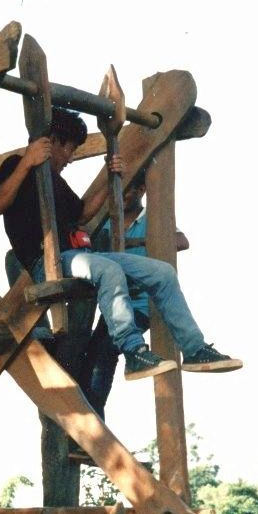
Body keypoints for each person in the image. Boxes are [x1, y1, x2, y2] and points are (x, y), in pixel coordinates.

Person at [0, 107, 242, 383]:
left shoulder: (55, 182)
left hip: (77, 256)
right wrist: (27, 162)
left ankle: (194, 350)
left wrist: (112, 181)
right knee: (108, 271)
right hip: (46, 262)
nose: (70, 159)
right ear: (53, 143)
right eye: (69, 150)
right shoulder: (16, 165)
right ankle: (133, 352)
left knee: (162, 272)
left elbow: (82, 213)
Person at [80, 168, 190, 421]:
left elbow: (182, 241)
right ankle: (92, 423)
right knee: (93, 356)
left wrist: (158, 243)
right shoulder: (108, 222)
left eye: (128, 190)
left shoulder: (152, 220)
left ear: (140, 191)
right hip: (115, 303)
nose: (122, 196)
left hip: (142, 304)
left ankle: (95, 423)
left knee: (105, 351)